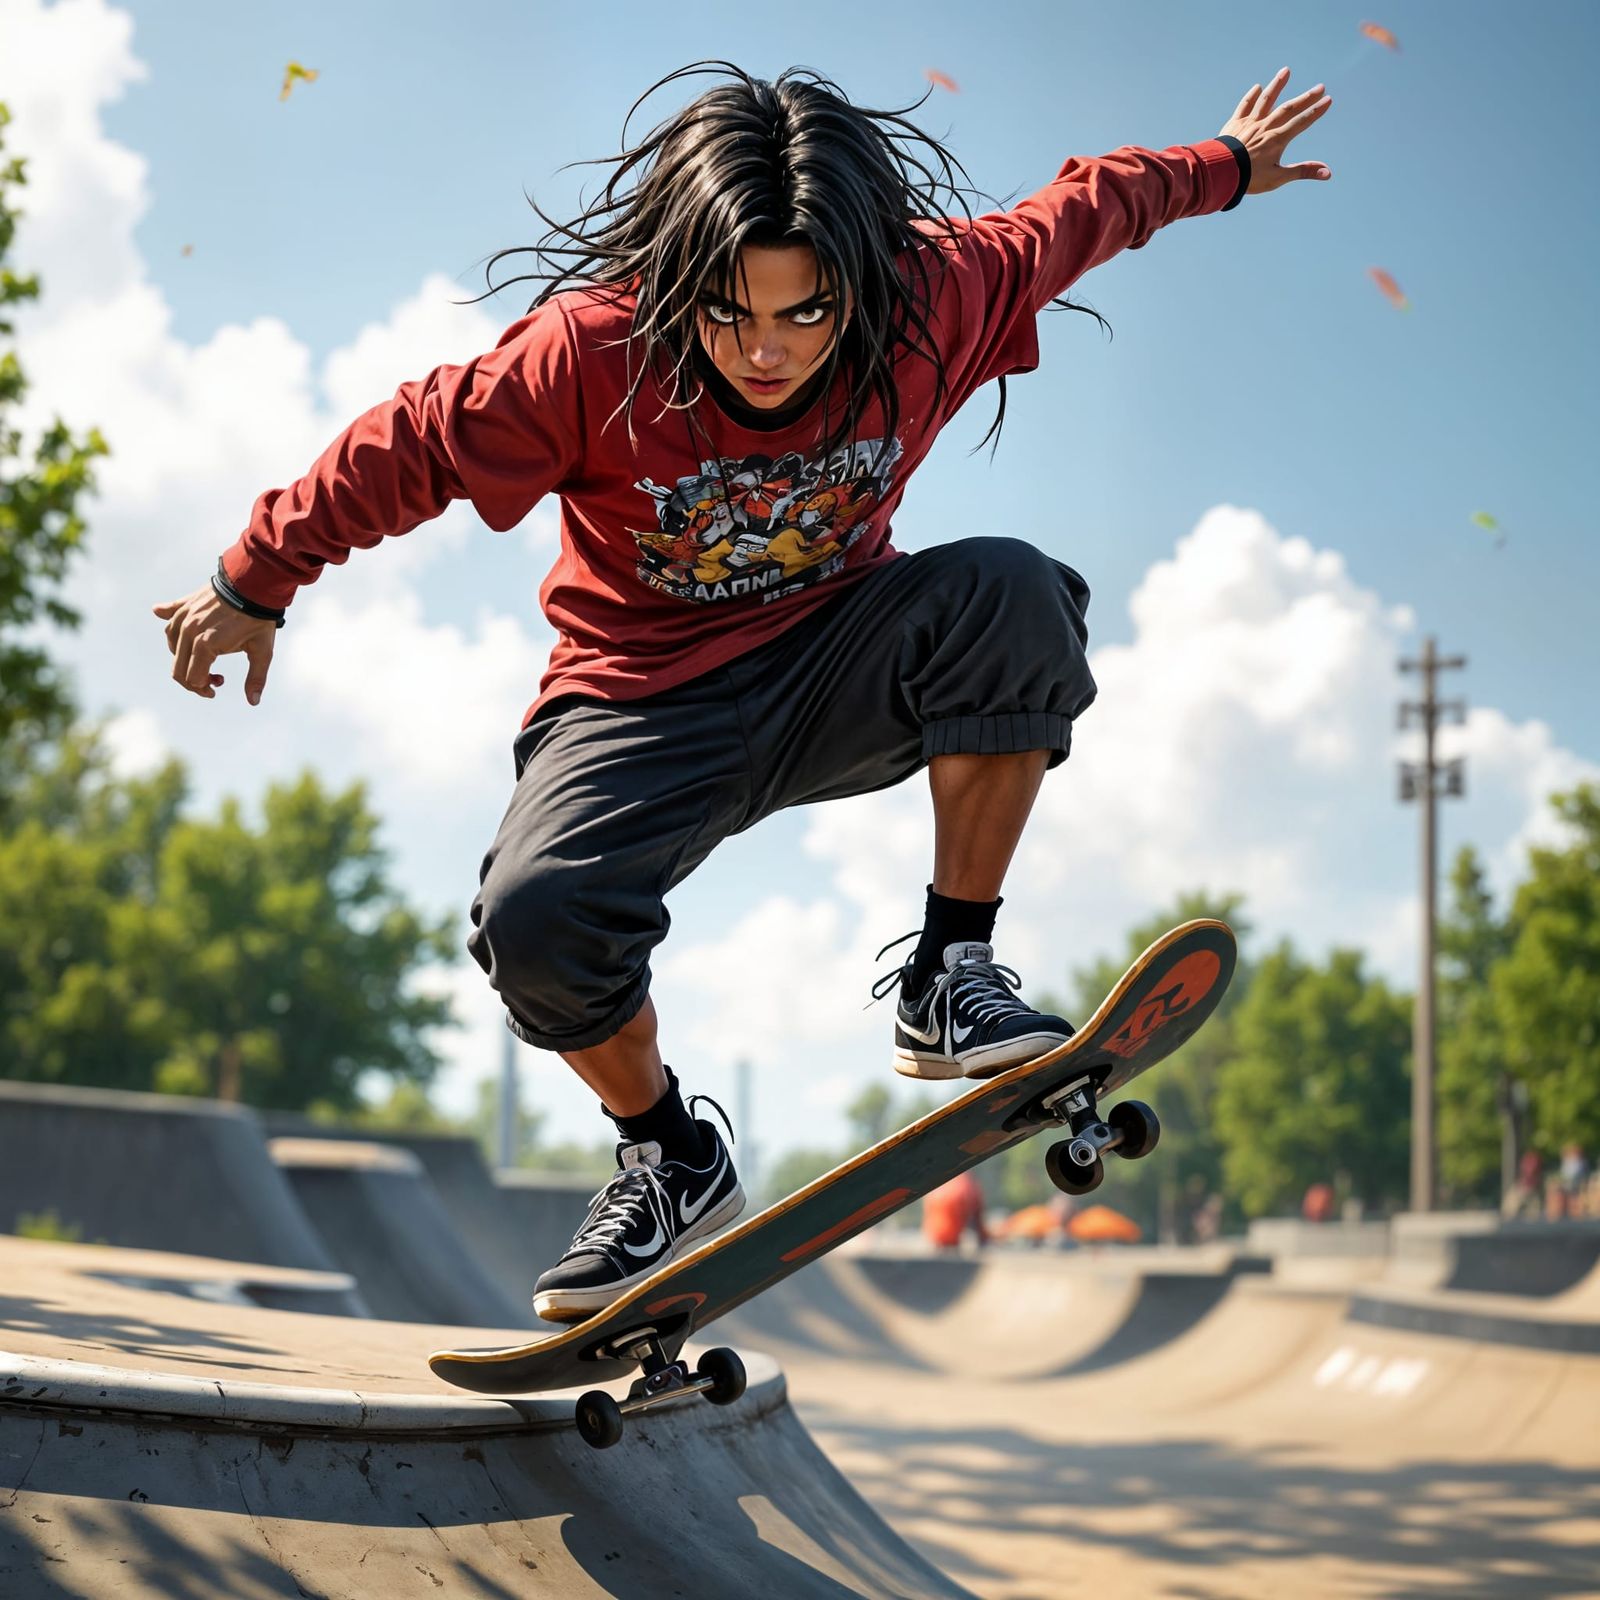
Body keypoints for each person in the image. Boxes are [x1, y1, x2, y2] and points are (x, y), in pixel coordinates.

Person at [152, 61, 1333, 1320]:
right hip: (633, 700)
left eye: (805, 316)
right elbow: (415, 444)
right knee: (535, 921)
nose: (765, 350)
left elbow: (1081, 212)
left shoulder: (939, 295)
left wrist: (1224, 167)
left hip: (836, 661)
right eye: (727, 314)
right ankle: (669, 1154)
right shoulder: (585, 357)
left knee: (1014, 594)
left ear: (862, 291)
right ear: (677, 288)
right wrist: (254, 578)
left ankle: (951, 967)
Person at [923, 1171, 990, 1251]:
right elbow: (977, 1217)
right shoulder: (965, 1185)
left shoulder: (941, 1185)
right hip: (947, 1234)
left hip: (939, 1235)